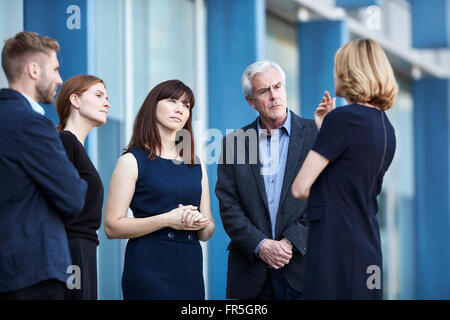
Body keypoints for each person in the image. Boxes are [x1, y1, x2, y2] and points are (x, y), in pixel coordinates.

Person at [291, 38, 398, 299]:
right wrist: (324, 130)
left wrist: (329, 127)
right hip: (369, 249)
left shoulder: (343, 119)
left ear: (349, 72)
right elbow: (349, 181)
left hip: (335, 245)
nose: (334, 73)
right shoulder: (387, 128)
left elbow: (300, 187)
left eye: (337, 67)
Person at [215, 61, 317, 300]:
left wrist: (290, 242)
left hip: (303, 268)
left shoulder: (316, 135)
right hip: (251, 272)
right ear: (251, 101)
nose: (274, 96)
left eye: (278, 87)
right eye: (264, 91)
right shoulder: (234, 143)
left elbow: (325, 197)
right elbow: (228, 206)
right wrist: (261, 245)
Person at [104, 79, 214, 300]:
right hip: (148, 269)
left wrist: (200, 222)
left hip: (190, 269)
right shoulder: (131, 160)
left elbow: (207, 231)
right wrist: (167, 219)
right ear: (152, 106)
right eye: (172, 101)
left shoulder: (196, 163)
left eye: (186, 105)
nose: (180, 109)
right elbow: (112, 226)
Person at [0, 31, 87, 300]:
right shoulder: (30, 123)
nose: (61, 80)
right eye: (56, 69)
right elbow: (73, 196)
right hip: (32, 272)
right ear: (34, 70)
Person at [55, 75, 110, 300]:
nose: (107, 103)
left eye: (107, 97)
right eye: (98, 95)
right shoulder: (66, 142)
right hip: (71, 250)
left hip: (82, 250)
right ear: (75, 100)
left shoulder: (75, 146)